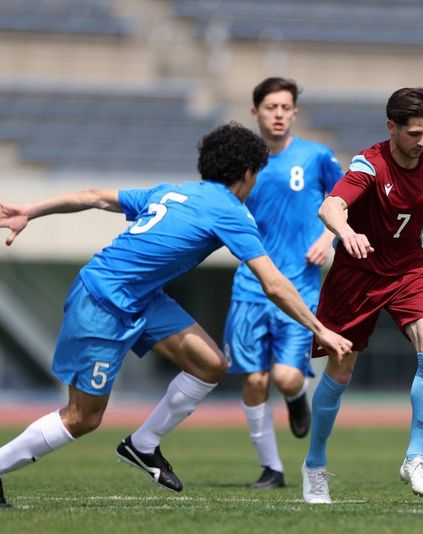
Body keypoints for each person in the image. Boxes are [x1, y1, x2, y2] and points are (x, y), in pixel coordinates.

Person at [0, 122, 352, 508]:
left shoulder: (173, 190)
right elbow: (274, 284)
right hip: (103, 300)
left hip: (143, 298)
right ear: (249, 173)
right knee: (82, 418)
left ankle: (142, 444)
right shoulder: (232, 213)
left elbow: (95, 196)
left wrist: (31, 210)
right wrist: (320, 329)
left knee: (210, 364)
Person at [300, 87, 423, 504]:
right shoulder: (368, 165)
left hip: (409, 271)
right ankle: (315, 464)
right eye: (414, 134)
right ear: (391, 127)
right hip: (357, 274)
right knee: (341, 371)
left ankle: (414, 457)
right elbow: (331, 206)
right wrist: (347, 232)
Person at [222, 77, 343, 490]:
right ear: (255, 112)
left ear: (294, 112)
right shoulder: (240, 166)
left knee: (287, 378)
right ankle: (271, 469)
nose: (277, 114)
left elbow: (346, 202)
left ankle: (295, 399)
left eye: (285, 107)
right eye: (270, 107)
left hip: (300, 289)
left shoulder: (317, 157)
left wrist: (328, 237)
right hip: (250, 287)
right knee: (254, 380)